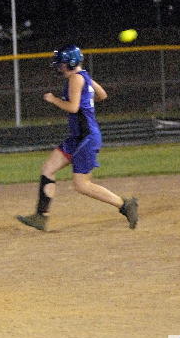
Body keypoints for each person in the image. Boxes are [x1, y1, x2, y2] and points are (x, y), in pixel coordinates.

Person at [16, 45, 138, 231]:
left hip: (87, 138)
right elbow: (102, 95)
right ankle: (41, 217)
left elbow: (73, 108)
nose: (59, 67)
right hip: (77, 137)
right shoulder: (84, 76)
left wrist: (54, 100)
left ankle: (125, 204)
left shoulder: (75, 78)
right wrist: (86, 101)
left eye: (62, 63)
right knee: (48, 168)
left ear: (71, 64)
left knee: (82, 185)